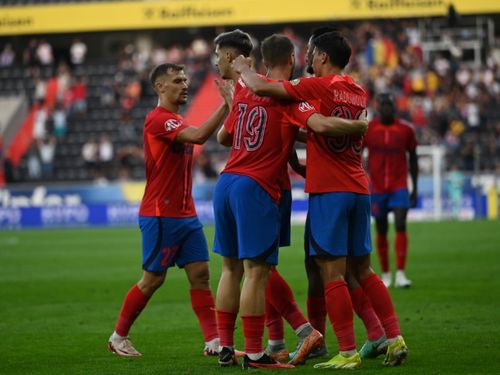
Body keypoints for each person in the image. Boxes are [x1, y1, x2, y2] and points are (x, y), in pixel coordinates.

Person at [234, 30, 408, 369]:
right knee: (365, 269)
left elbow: (262, 87)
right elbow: (319, 127)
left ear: (323, 57)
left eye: (312, 53)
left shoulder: (317, 86)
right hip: (359, 186)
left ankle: (346, 351)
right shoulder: (358, 91)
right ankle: (393, 336)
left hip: (330, 190)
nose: (308, 59)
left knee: (332, 273)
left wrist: (243, 68)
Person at [213, 31, 368, 370]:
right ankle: (258, 352)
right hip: (259, 186)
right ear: (293, 60)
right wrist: (356, 128)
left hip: (226, 182)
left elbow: (224, 136)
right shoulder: (289, 98)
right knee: (258, 272)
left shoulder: (243, 91)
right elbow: (322, 125)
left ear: (264, 61)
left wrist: (234, 101)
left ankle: (228, 346)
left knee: (231, 268)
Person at [107, 63, 232, 358]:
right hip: (161, 214)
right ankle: (118, 337)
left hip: (186, 215)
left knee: (200, 274)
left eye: (186, 79)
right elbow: (201, 136)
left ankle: (213, 341)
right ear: (160, 87)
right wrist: (227, 104)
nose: (185, 84)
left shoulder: (176, 120)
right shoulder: (158, 119)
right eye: (177, 80)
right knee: (153, 279)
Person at [364, 93, 419, 288]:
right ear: (378, 108)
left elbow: (413, 158)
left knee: (401, 223)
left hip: (399, 186)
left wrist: (415, 187)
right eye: (383, 105)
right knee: (381, 229)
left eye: (389, 105)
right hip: (377, 188)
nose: (387, 108)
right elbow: (358, 154)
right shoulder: (369, 129)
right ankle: (386, 274)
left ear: (394, 107)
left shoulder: (406, 130)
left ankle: (401, 274)